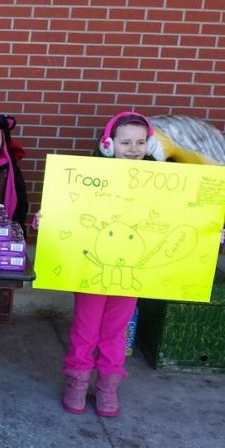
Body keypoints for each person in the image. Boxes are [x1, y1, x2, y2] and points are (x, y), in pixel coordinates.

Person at [55, 111, 157, 417]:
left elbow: (178, 220)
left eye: (140, 142)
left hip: (132, 272)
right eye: (125, 141)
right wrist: (46, 221)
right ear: (109, 144)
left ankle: (108, 387)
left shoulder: (162, 182)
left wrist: (207, 233)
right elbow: (70, 213)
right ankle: (77, 381)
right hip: (92, 269)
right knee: (85, 329)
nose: (133, 148)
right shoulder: (90, 177)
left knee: (117, 331)